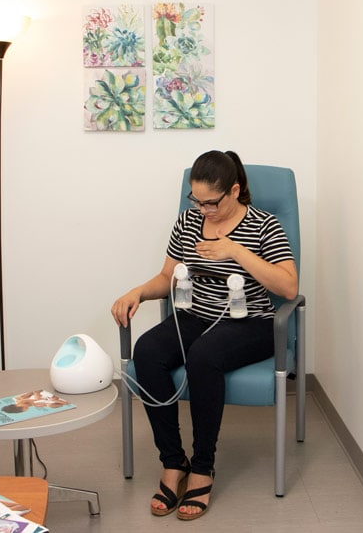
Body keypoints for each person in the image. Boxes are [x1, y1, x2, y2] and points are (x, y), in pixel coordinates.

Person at [111, 150, 298, 521]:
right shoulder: (188, 221)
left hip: (250, 323)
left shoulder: (265, 224)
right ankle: (173, 461)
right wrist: (137, 292)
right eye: (196, 200)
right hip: (197, 315)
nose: (203, 209)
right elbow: (168, 277)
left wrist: (235, 251)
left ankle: (202, 467)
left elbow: (289, 288)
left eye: (211, 202)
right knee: (147, 351)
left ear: (234, 190)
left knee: (204, 355)